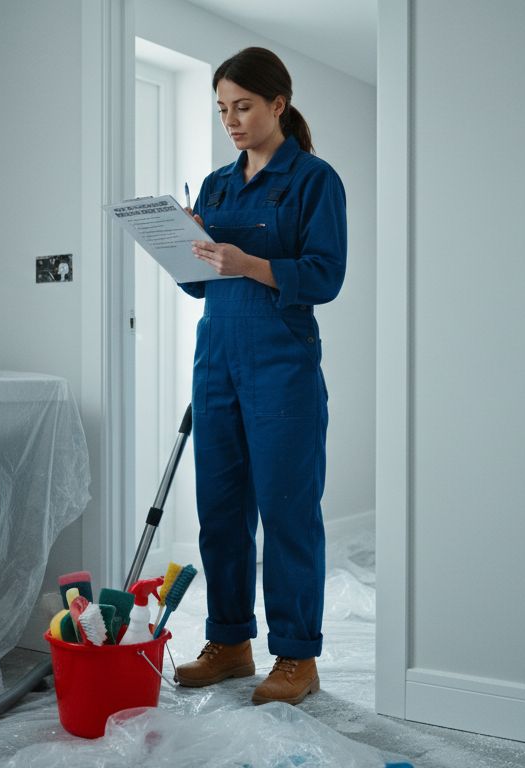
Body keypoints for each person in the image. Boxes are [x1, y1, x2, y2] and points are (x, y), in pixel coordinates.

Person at [173, 46, 347, 706]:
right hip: (216, 362)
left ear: (278, 104)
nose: (233, 120)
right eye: (222, 109)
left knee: (286, 511)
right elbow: (199, 286)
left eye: (243, 106)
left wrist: (248, 262)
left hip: (281, 367)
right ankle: (230, 642)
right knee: (220, 512)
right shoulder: (217, 186)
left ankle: (297, 656)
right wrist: (181, 244)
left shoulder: (313, 180)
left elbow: (325, 276)